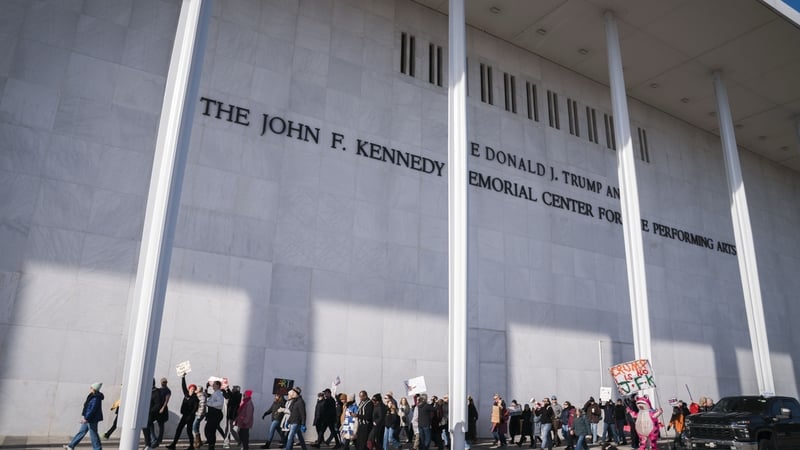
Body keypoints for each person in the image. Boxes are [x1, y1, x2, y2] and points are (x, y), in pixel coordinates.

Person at [64, 382, 104, 450]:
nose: (90, 388)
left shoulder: (96, 398)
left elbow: (92, 409)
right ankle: (70, 446)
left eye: (91, 387)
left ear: (94, 389)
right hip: (88, 417)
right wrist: (86, 417)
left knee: (93, 434)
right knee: (82, 432)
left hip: (92, 419)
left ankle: (97, 448)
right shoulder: (92, 395)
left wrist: (87, 418)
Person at [166, 375, 200, 450]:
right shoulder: (186, 395)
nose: (192, 390)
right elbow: (183, 386)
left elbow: (195, 408)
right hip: (184, 416)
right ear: (189, 389)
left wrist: (190, 416)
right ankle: (173, 444)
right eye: (191, 388)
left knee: (189, 431)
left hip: (190, 417)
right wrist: (183, 377)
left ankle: (191, 446)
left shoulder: (195, 398)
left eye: (194, 389)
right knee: (178, 429)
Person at [206, 380, 226, 450]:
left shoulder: (218, 394)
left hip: (215, 414)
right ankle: (211, 444)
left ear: (218, 385)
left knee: (210, 430)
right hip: (212, 414)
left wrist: (209, 404)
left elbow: (220, 403)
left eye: (214, 384)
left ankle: (211, 446)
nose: (213, 386)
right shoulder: (215, 393)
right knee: (208, 430)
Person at [155, 378, 172, 446]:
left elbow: (166, 401)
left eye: (165, 382)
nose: (164, 383)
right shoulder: (158, 390)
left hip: (163, 409)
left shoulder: (167, 391)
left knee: (161, 425)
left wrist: (163, 408)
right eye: (163, 382)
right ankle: (155, 437)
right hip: (157, 408)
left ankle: (160, 439)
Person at [194, 380, 207, 448]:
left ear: (200, 390)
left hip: (200, 414)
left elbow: (202, 405)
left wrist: (199, 414)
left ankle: (198, 441)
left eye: (197, 389)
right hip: (198, 413)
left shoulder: (201, 396)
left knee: (194, 426)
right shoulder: (199, 395)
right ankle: (199, 441)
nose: (196, 390)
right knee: (197, 426)